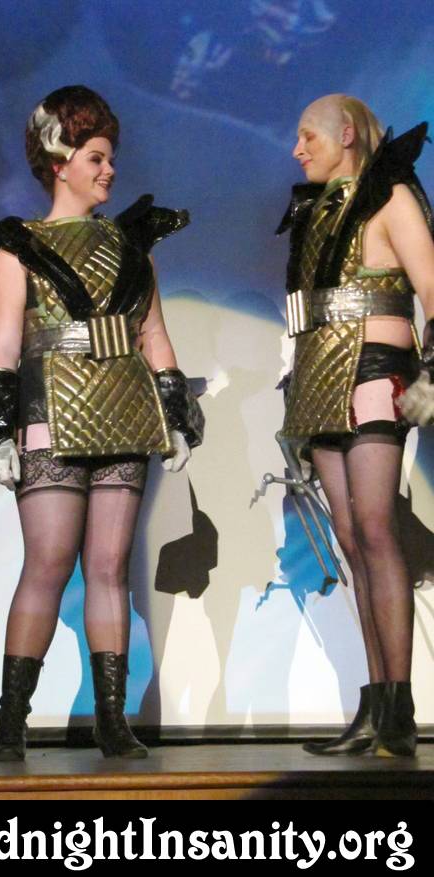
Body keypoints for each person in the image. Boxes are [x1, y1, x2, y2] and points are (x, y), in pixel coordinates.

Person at [0, 85, 203, 761]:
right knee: (49, 563)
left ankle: (112, 720)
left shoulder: (133, 247)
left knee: (110, 568)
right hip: (48, 416)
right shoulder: (16, 250)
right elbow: (4, 349)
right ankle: (11, 722)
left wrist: (176, 417)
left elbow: (155, 337)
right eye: (96, 157)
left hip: (124, 412)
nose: (109, 169)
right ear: (59, 161)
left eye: (110, 157)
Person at [277, 94, 434, 757]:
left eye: (307, 136)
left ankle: (398, 708)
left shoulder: (390, 197)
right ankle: (375, 705)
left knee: (374, 526)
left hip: (375, 371)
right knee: (349, 539)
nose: (297, 150)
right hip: (320, 378)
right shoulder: (314, 213)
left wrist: (432, 375)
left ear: (346, 133)